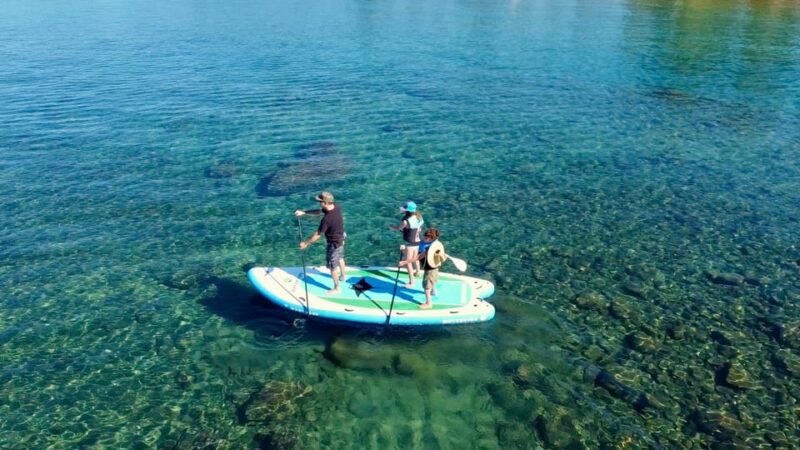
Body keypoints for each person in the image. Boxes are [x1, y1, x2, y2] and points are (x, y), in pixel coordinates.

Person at [294, 191, 346, 294]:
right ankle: (343, 276)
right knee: (340, 258)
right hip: (341, 238)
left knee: (332, 267)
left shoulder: (327, 219)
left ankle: (337, 288)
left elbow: (318, 234)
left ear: (325, 203)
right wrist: (304, 212)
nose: (319, 203)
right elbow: (320, 211)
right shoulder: (336, 206)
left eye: (320, 202)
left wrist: (306, 243)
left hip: (333, 244)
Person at [399, 228, 446, 309]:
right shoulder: (425, 242)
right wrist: (405, 247)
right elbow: (418, 244)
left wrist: (404, 262)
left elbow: (418, 257)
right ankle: (433, 291)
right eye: (425, 236)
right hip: (430, 268)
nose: (425, 238)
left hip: (431, 269)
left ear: (432, 239)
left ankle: (428, 303)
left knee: (426, 287)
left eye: (427, 237)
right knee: (432, 280)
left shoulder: (430, 248)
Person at [389, 200, 424, 288]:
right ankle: (418, 272)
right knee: (415, 258)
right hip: (418, 242)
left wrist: (392, 227)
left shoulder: (406, 221)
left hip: (410, 243)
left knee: (408, 262)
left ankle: (411, 282)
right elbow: (419, 228)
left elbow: (399, 228)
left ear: (407, 211)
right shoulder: (419, 217)